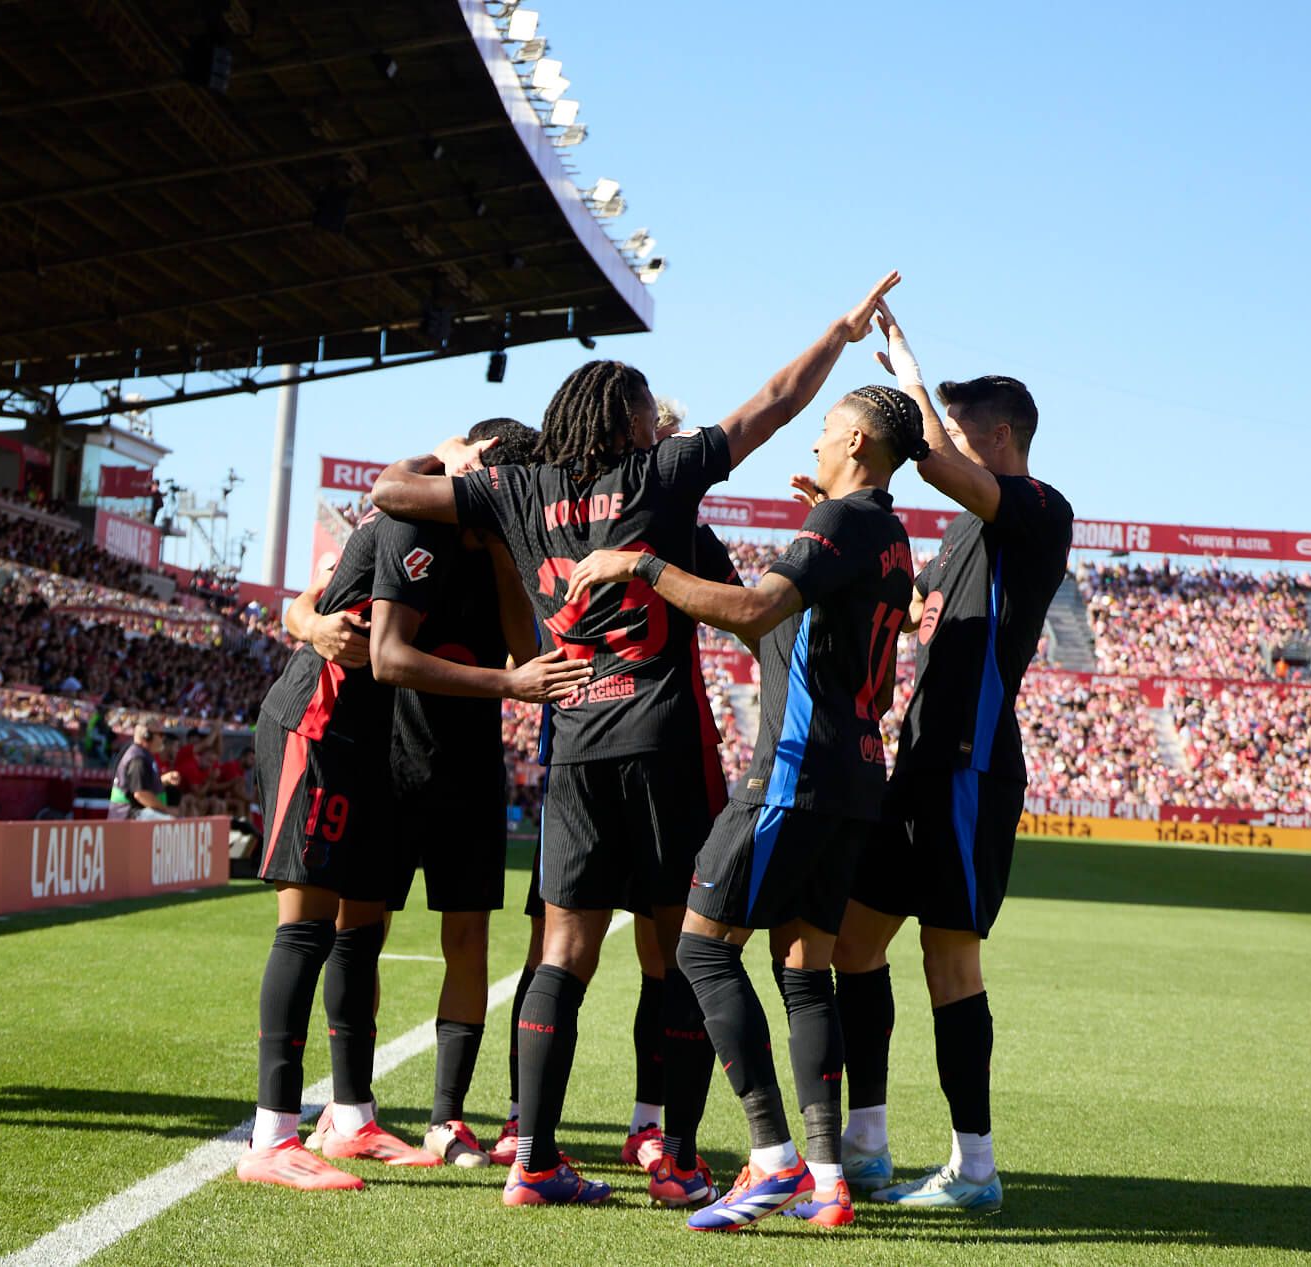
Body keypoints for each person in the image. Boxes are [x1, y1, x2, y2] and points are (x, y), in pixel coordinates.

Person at [370, 269, 901, 1209]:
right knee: (678, 948)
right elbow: (773, 405)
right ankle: (684, 1157)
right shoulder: (661, 475)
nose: (661, 425)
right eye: (651, 413)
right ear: (626, 424)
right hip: (660, 741)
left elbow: (390, 489)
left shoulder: (512, 487)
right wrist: (839, 333)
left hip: (570, 738)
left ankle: (531, 1159)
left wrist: (447, 453)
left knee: (562, 950)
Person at [565, 382, 922, 1231]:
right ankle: (828, 1180)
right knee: (805, 972)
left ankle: (772, 1158)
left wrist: (643, 564)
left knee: (701, 948)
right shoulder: (890, 533)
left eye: (827, 432)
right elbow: (774, 628)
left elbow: (756, 609)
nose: (814, 446)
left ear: (860, 442)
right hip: (855, 777)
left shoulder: (841, 524)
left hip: (794, 773)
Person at [237, 434, 589, 1194]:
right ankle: (271, 1136)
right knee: (304, 930)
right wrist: (513, 684)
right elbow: (387, 654)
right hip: (318, 722)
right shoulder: (412, 521)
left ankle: (351, 1115)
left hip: (359, 741)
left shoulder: (458, 536)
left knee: (353, 934)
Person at [832, 300, 1073, 1215]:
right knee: (856, 943)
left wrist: (906, 373)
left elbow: (931, 458)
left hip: (972, 766)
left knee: (949, 958)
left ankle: (975, 1166)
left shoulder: (1041, 513)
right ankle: (867, 1140)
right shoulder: (963, 532)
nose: (948, 443)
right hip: (919, 763)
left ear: (1002, 436)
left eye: (966, 429)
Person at [364, 419, 595, 1167]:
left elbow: (530, 655)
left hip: (470, 772)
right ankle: (349, 1106)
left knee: (467, 941)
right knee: (358, 934)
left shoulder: (510, 547)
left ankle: (445, 1116)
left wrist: (503, 553)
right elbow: (385, 656)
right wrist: (443, 456)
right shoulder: (410, 525)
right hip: (390, 765)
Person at [496, 520, 741, 1173]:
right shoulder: (677, 529)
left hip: (577, 759)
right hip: (661, 757)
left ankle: (562, 1142)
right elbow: (749, 613)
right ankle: (665, 1154)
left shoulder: (548, 513)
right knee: (668, 954)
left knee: (579, 954)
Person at [106, 722, 178, 819]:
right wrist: (166, 810)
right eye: (160, 735)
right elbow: (141, 794)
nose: (163, 739)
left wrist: (163, 780)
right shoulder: (137, 760)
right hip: (128, 817)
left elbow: (141, 785)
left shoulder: (143, 754)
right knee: (172, 824)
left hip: (134, 814)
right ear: (147, 736)